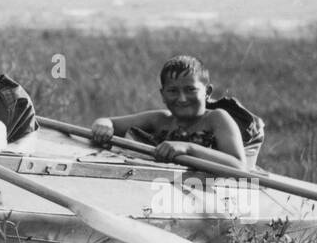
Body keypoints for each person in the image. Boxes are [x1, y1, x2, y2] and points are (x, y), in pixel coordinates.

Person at [88, 55, 253, 169]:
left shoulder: (217, 118)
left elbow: (238, 166)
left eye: (190, 90)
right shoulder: (160, 120)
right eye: (173, 91)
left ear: (207, 92)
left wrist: (189, 148)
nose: (182, 99)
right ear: (163, 95)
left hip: (209, 191)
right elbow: (109, 122)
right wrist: (102, 126)